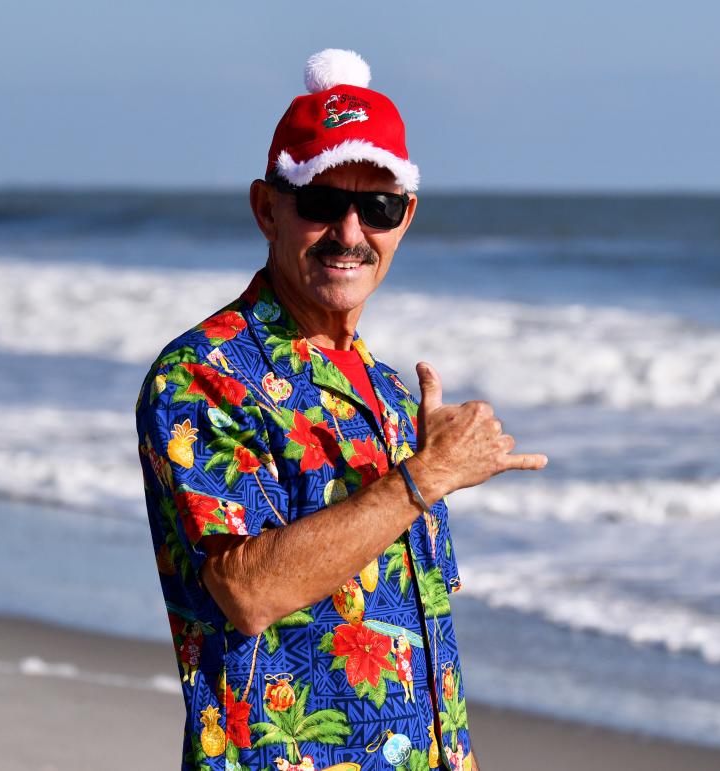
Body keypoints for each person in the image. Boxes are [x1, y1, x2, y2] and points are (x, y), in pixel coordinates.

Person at [135, 48, 547, 771]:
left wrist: (426, 469)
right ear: (269, 207)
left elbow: (418, 632)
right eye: (323, 202)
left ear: (406, 218)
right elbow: (248, 589)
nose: (351, 233)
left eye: (379, 207)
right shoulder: (203, 376)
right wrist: (420, 479)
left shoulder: (389, 394)